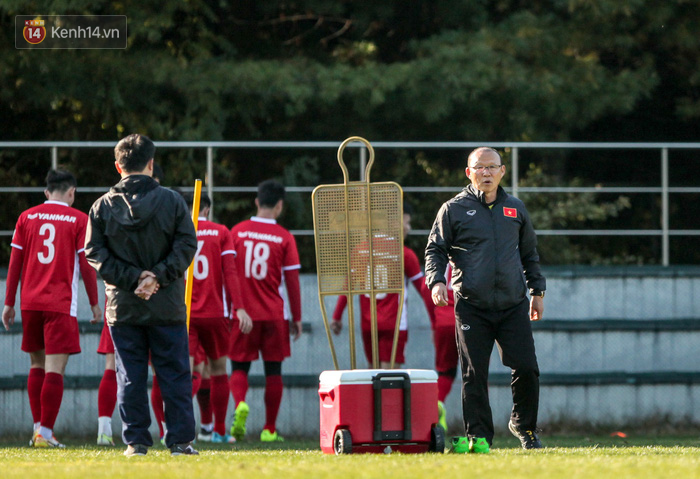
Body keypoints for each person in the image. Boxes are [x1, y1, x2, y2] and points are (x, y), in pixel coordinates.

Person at [424, 147, 546, 453]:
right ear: (469, 172)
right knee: (474, 374)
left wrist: (537, 292)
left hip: (513, 304)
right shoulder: (452, 209)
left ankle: (525, 427)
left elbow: (529, 254)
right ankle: (479, 438)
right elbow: (435, 249)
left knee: (527, 367)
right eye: (480, 168)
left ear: (503, 171)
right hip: (471, 306)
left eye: (492, 167)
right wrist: (437, 281)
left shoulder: (515, 209)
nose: (487, 173)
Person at [85, 133, 199, 457]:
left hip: (123, 307)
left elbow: (94, 253)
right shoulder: (174, 201)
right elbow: (187, 246)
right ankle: (180, 441)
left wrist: (134, 278)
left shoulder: (101, 206)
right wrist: (156, 277)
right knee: (174, 375)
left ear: (118, 166)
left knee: (130, 375)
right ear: (151, 163)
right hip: (168, 304)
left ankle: (136, 442)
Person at [2, 168, 102, 448]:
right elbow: (86, 265)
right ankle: (45, 432)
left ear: (46, 192)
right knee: (55, 369)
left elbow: (15, 264)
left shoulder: (27, 217)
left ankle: (37, 430)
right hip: (59, 304)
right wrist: (95, 303)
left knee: (36, 364)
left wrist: (9, 303)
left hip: (30, 303)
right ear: (72, 192)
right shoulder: (79, 219)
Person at [95, 162, 164, 447]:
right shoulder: (162, 207)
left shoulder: (110, 207)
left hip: (121, 299)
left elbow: (99, 254)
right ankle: (162, 432)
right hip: (137, 301)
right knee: (155, 369)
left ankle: (106, 428)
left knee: (118, 367)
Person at [228, 180, 302, 443]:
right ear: (280, 205)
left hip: (243, 314)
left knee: (238, 366)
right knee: (274, 371)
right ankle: (269, 429)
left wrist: (235, 308)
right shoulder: (284, 237)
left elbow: (229, 274)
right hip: (274, 315)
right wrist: (298, 318)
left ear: (257, 202)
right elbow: (292, 282)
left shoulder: (237, 232)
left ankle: (239, 404)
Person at [330, 202, 435, 369]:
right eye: (406, 222)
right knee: (390, 375)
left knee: (372, 372)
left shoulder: (360, 250)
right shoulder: (404, 254)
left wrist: (337, 315)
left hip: (368, 322)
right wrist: (435, 322)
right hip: (394, 323)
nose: (408, 227)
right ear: (393, 223)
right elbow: (424, 290)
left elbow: (348, 286)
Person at [185, 192, 251, 444]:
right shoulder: (222, 232)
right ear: (208, 209)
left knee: (186, 372)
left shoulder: (179, 230)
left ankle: (179, 428)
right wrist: (240, 308)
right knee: (219, 370)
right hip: (216, 314)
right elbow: (230, 272)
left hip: (187, 314)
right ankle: (220, 431)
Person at [432, 264, 459, 433]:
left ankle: (438, 407)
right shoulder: (474, 246)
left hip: (443, 320)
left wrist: (435, 321)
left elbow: (425, 287)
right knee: (476, 371)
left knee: (445, 371)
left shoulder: (439, 254)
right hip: (469, 318)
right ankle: (479, 424)